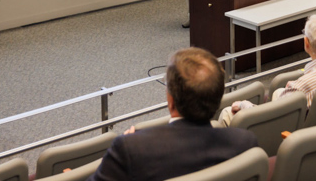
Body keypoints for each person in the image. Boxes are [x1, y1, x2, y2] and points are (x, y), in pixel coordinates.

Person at [88, 48, 258, 181]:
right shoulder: (245, 142)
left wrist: (126, 148)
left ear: (170, 100)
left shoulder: (132, 150)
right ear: (219, 96)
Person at [218, 12, 316, 125]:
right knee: (279, 92)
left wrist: (244, 105)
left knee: (227, 113)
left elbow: (268, 118)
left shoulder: (302, 87)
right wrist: (293, 89)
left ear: (306, 43)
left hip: (294, 137)